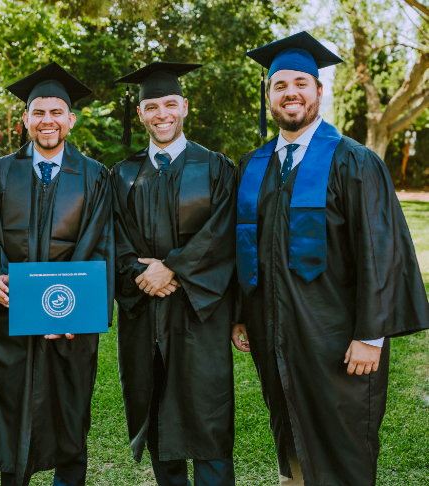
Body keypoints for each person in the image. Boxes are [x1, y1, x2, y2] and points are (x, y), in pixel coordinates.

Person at [232, 31, 429, 486]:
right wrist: (243, 315)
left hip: (337, 336)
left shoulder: (353, 161)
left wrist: (371, 335)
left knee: (342, 435)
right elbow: (248, 247)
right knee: (289, 425)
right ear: (269, 97)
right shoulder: (254, 166)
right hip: (274, 330)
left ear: (320, 91)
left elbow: (381, 250)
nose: (291, 93)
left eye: (301, 83)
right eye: (280, 86)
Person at [0, 62, 114, 486]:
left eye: (57, 113)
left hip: (68, 325)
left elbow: (99, 245)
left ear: (71, 120)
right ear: (26, 119)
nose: (47, 121)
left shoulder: (94, 175)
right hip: (12, 320)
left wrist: (70, 313)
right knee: (11, 410)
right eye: (39, 112)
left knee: (70, 412)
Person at [111, 62, 237, 486]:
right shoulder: (122, 174)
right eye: (151, 106)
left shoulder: (218, 167)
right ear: (141, 113)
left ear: (184, 106)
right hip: (144, 312)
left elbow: (223, 232)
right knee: (157, 417)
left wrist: (174, 269)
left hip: (200, 315)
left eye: (169, 104)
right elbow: (114, 237)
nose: (161, 113)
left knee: (207, 419)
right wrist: (141, 274)